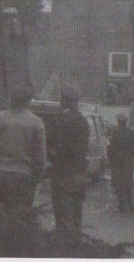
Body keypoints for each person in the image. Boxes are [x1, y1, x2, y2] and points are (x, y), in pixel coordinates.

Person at [0, 83, 47, 209]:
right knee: (18, 218)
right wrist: (36, 177)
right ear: (28, 101)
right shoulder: (36, 123)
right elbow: (40, 156)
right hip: (23, 177)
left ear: (11, 99)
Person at [49, 82, 90, 238]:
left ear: (64, 100)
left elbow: (52, 148)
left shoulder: (59, 121)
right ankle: (76, 248)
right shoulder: (84, 122)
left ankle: (65, 250)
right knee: (76, 218)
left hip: (63, 174)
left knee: (63, 218)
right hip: (80, 174)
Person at [107, 112, 134, 212]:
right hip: (128, 161)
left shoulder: (116, 134)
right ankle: (131, 206)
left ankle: (123, 207)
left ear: (118, 123)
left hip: (118, 161)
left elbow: (111, 149)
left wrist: (110, 158)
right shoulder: (131, 133)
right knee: (128, 184)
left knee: (119, 184)